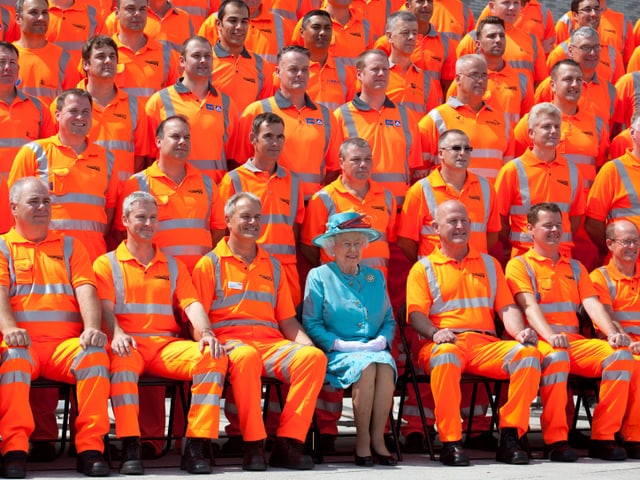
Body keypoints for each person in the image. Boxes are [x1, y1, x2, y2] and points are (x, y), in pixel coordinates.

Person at [94, 191, 228, 475]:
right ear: (125, 220)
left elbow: (191, 304)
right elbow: (104, 307)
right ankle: (131, 444)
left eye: (153, 218)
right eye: (141, 217)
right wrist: (116, 333)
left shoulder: (173, 264)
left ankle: (195, 443)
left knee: (212, 358)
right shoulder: (105, 264)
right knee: (122, 365)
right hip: (128, 343)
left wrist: (206, 333)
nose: (148, 223)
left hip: (165, 346)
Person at [192, 192, 326, 471]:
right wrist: (209, 341)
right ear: (228, 220)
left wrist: (308, 346)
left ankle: (289, 443)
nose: (253, 222)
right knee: (247, 356)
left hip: (271, 344)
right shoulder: (210, 264)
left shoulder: (273, 265)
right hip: (230, 345)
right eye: (245, 216)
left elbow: (288, 322)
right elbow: (197, 322)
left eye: (257, 217)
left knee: (313, 359)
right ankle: (253, 444)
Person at [406, 199, 541, 466]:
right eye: (452, 221)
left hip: (485, 344)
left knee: (528, 355)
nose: (460, 226)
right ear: (435, 227)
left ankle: (511, 436)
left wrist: (520, 332)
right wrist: (435, 333)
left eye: (464, 221)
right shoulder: (423, 268)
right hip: (444, 342)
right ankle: (451, 441)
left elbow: (506, 308)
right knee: (445, 356)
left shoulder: (490, 264)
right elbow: (415, 315)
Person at [505, 202, 635, 461]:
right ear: (530, 229)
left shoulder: (575, 268)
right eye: (547, 225)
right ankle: (557, 439)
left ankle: (604, 437)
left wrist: (612, 333)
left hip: (574, 343)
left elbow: (592, 305)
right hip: (541, 342)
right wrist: (551, 336)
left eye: (558, 225)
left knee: (621, 356)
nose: (555, 230)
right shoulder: (519, 265)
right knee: (557, 357)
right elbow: (529, 307)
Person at [0, 177, 110, 478]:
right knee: (13, 362)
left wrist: (91, 328)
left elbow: (86, 288)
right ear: (13, 208)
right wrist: (9, 328)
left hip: (65, 346)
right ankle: (14, 450)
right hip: (25, 345)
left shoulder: (71, 246)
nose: (41, 207)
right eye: (33, 201)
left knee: (95, 358)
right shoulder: (3, 247)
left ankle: (90, 449)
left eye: (46, 201)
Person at [303, 211, 397, 466]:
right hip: (336, 352)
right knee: (366, 368)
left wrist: (382, 341)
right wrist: (338, 344)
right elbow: (311, 322)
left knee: (385, 367)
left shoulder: (373, 276)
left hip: (373, 349)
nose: (353, 249)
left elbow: (389, 319)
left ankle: (379, 438)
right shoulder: (319, 276)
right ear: (332, 247)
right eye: (346, 243)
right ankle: (363, 441)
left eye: (358, 243)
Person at [8, 88, 120, 263]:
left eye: (85, 112)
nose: (80, 117)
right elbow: (14, 209)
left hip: (92, 257)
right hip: (45, 259)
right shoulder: (33, 153)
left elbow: (109, 212)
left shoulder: (107, 158)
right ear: (58, 115)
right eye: (73, 111)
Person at [229, 45, 340, 201]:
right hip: (268, 204)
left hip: (312, 205)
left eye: (305, 69)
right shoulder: (257, 110)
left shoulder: (326, 116)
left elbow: (334, 169)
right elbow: (238, 163)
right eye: (293, 69)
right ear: (278, 72)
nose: (300, 74)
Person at [145, 35, 239, 184]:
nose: (203, 60)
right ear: (182, 61)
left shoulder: (227, 104)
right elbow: (148, 155)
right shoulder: (159, 101)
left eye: (208, 56)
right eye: (196, 56)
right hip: (171, 189)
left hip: (214, 191)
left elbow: (233, 158)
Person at [496, 102, 585, 259]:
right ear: (531, 133)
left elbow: (575, 218)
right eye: (546, 127)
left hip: (563, 258)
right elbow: (497, 219)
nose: (553, 131)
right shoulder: (512, 170)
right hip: (524, 257)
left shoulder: (572, 171)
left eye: (557, 127)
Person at [419, 54, 514, 184]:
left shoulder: (503, 120)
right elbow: (421, 173)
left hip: (490, 201)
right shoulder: (436, 119)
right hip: (451, 200)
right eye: (474, 75)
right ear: (458, 79)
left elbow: (507, 173)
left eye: (484, 76)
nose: (480, 81)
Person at [590, 220, 640, 459]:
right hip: (618, 343)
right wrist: (629, 342)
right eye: (626, 242)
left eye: (636, 241)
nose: (632, 246)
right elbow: (607, 318)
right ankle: (630, 436)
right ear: (609, 244)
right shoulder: (599, 278)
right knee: (635, 362)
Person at [585, 113, 640, 254]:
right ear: (632, 133)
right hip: (626, 265)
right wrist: (615, 252)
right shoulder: (613, 170)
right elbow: (593, 223)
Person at [0, 40, 54, 177]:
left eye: (12, 62)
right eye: (1, 62)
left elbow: (50, 154)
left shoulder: (39, 107)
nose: (7, 67)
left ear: (18, 69)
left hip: (25, 194)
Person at [211, 0, 274, 112]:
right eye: (233, 21)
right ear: (219, 24)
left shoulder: (262, 67)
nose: (239, 27)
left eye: (244, 21)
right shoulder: (204, 62)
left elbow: (265, 114)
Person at [13, 0, 81, 104]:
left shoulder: (64, 59)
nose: (41, 18)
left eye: (45, 13)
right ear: (18, 18)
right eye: (34, 12)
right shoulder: (6, 58)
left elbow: (73, 105)